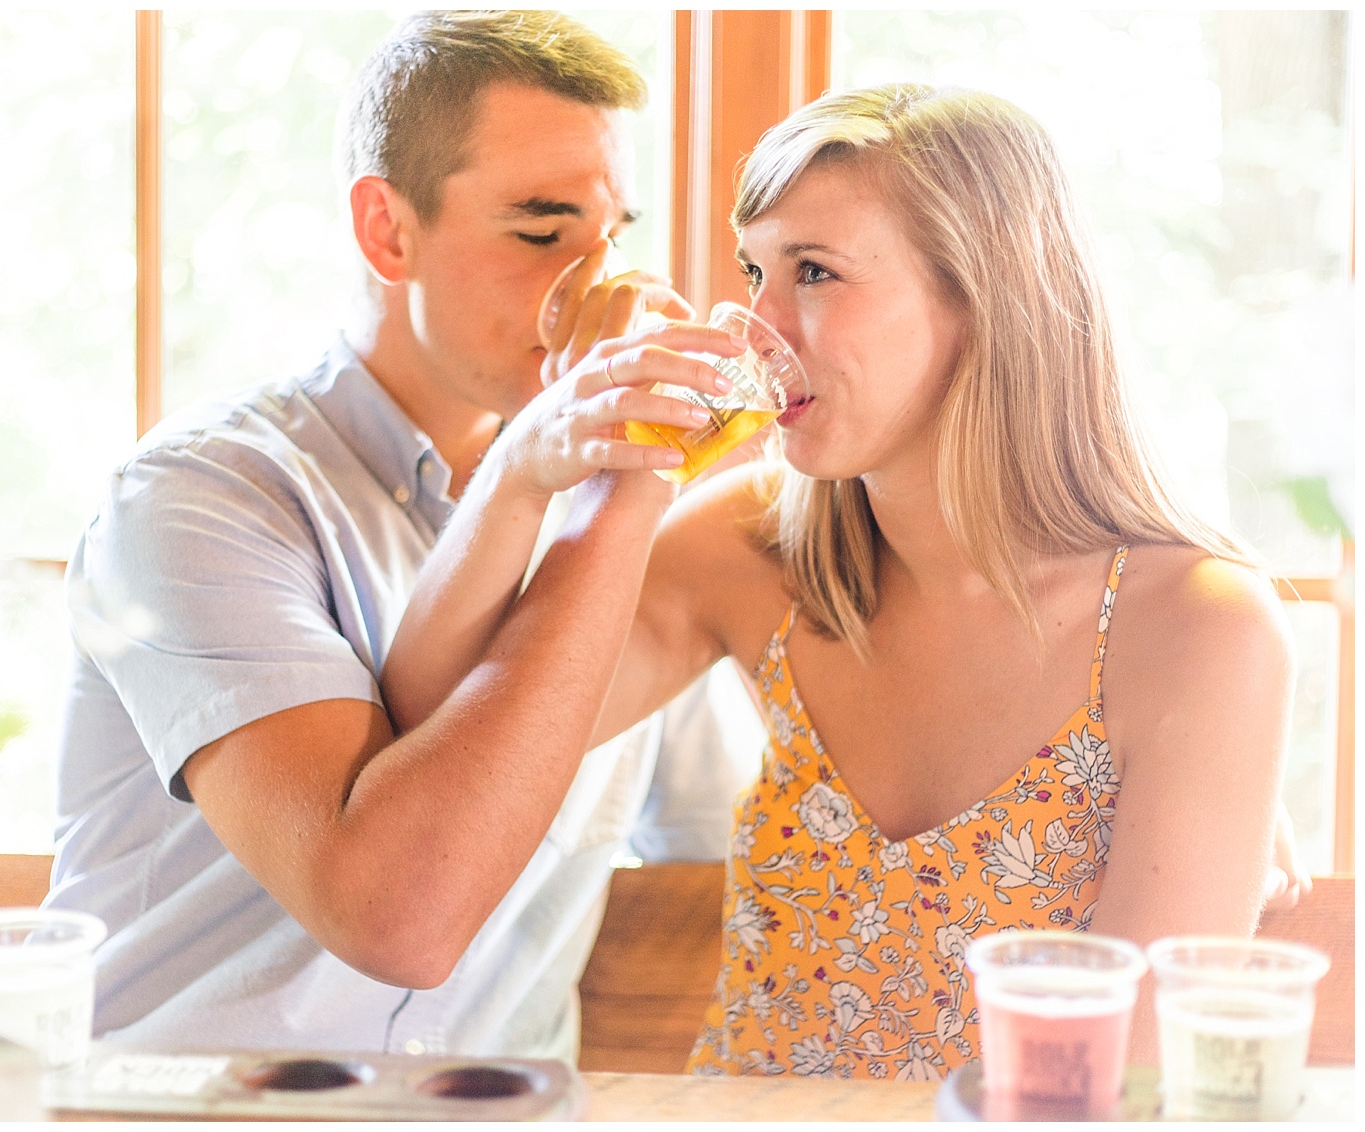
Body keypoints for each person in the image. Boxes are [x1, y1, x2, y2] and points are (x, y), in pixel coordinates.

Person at [381, 83, 1297, 1079]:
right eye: (753, 273)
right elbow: (434, 727)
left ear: (984, 301)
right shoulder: (749, 551)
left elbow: (1131, 1074)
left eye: (814, 272)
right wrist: (537, 464)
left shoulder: (1201, 630)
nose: (754, 327)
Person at [45, 9, 750, 1060]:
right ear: (387, 229)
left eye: (616, 237)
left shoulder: (612, 524)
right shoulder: (197, 500)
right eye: (542, 229)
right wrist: (600, 469)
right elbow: (395, 917)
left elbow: (721, 857)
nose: (602, 292)